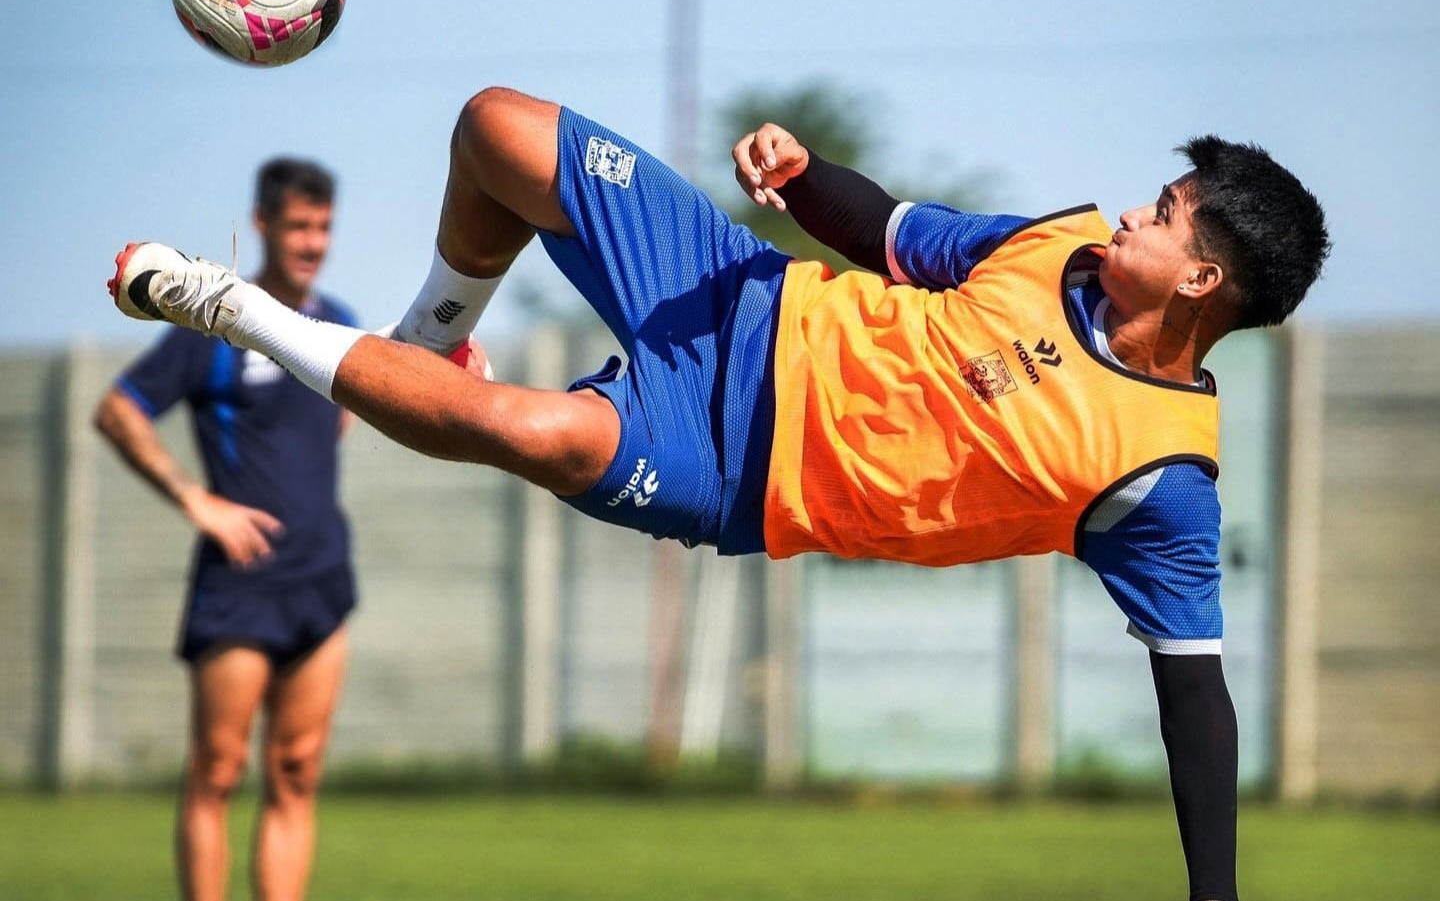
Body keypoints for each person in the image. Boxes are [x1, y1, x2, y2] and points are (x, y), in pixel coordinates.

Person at [109, 87, 1330, 901]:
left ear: (1205, 274)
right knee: (497, 129)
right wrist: (804, 178)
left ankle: (235, 309)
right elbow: (903, 230)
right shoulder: (1056, 244)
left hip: (733, 465)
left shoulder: (1163, 473)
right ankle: (425, 336)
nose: (1132, 210)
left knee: (525, 426)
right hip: (738, 287)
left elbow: (1197, 701)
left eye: (1163, 215)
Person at [96, 158, 358, 901]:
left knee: (298, 769)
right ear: (265, 225)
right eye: (300, 225)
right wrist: (194, 499)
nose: (313, 242)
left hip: (322, 577)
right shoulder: (215, 322)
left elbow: (335, 422)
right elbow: (118, 410)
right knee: (217, 767)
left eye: (324, 227)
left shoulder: (332, 321)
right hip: (241, 585)